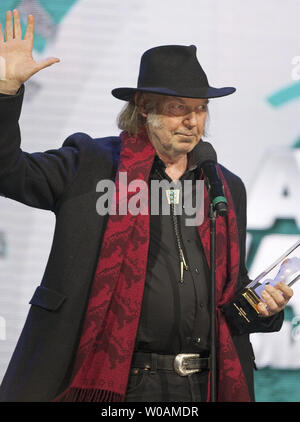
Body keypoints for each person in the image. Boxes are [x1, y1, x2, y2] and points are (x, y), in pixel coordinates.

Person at [0, 10, 294, 403]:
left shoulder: (222, 185)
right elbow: (9, 171)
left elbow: (228, 292)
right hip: (119, 384)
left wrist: (262, 306)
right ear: (144, 106)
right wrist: (5, 95)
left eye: (201, 108)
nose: (193, 121)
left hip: (201, 384)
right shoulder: (91, 165)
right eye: (179, 108)